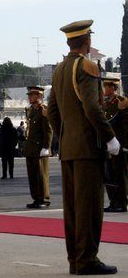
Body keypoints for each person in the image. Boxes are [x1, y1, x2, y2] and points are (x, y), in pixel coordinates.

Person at [47, 20, 119, 275]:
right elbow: (92, 107)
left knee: (73, 208)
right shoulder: (86, 67)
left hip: (69, 147)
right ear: (87, 41)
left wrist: (64, 136)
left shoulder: (59, 70)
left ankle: (74, 260)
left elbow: (52, 112)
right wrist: (109, 137)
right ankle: (87, 260)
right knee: (89, 206)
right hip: (88, 148)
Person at [24, 86, 52, 209]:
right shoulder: (32, 110)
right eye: (29, 95)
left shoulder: (43, 110)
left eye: (32, 95)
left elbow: (48, 130)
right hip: (30, 149)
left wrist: (46, 147)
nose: (29, 97)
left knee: (41, 176)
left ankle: (44, 199)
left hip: (39, 148)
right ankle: (36, 198)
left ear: (39, 96)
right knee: (33, 176)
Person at [102, 77, 128, 213]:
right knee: (109, 175)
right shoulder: (105, 104)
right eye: (104, 86)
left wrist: (125, 144)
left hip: (119, 144)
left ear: (113, 88)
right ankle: (113, 201)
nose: (105, 89)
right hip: (108, 145)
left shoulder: (121, 102)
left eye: (107, 86)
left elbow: (126, 125)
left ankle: (122, 202)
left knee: (119, 175)